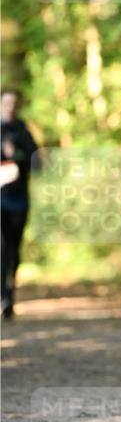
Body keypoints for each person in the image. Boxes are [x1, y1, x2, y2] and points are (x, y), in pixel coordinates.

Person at [1, 88, 39, 321]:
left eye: (14, 103)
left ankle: (9, 296)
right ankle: (3, 293)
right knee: (2, 247)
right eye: (6, 103)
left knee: (13, 250)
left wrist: (17, 157)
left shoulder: (24, 131)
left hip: (19, 200)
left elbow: (38, 162)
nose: (10, 107)